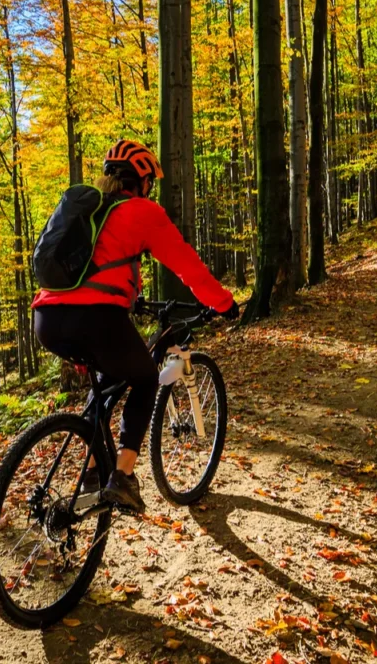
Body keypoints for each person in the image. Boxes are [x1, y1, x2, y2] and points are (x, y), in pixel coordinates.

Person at [32, 139, 238, 513]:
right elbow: (187, 266)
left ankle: (94, 471)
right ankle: (124, 477)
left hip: (47, 318)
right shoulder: (143, 212)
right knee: (145, 376)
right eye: (149, 183)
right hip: (94, 317)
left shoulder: (91, 211)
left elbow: (96, 267)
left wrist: (129, 296)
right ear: (142, 181)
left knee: (107, 385)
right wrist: (223, 303)